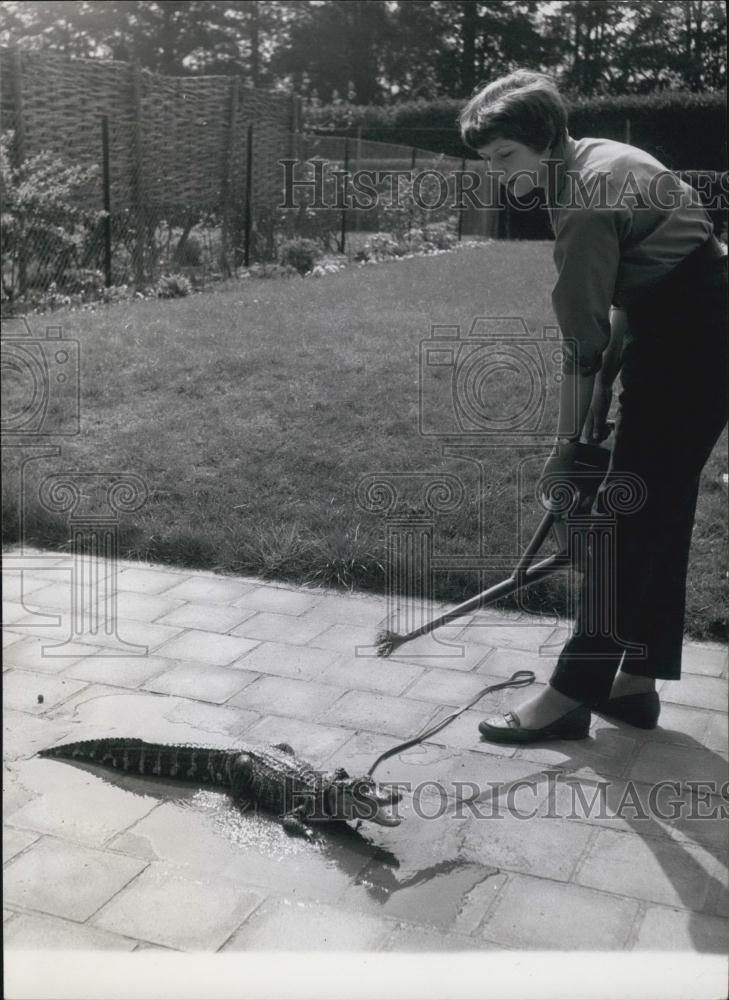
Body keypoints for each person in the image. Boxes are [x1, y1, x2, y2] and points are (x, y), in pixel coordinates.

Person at [458, 70, 728, 743]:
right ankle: (635, 687)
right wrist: (591, 430)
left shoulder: (581, 201)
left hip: (692, 343)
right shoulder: (595, 153)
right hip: (693, 323)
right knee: (655, 511)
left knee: (622, 519)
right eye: (486, 161)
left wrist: (564, 451)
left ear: (544, 138)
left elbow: (581, 345)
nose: (495, 175)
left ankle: (569, 696)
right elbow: (621, 314)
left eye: (504, 157)